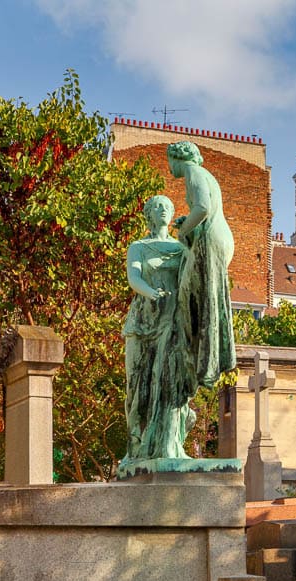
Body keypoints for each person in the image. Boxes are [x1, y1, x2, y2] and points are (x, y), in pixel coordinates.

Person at [121, 195, 196, 460]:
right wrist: (152, 293)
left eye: (167, 206)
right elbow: (135, 278)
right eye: (157, 207)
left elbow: (195, 276)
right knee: (138, 386)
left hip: (172, 322)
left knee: (169, 382)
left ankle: (169, 443)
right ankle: (137, 447)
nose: (163, 210)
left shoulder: (180, 248)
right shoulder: (139, 247)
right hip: (143, 323)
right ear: (149, 215)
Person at [167, 141, 236, 389]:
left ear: (177, 158)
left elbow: (204, 208)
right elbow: (205, 209)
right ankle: (203, 359)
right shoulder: (206, 175)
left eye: (169, 162)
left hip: (211, 241)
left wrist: (184, 231)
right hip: (217, 238)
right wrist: (189, 221)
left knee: (192, 298)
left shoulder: (193, 172)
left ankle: (204, 362)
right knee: (201, 298)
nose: (169, 167)